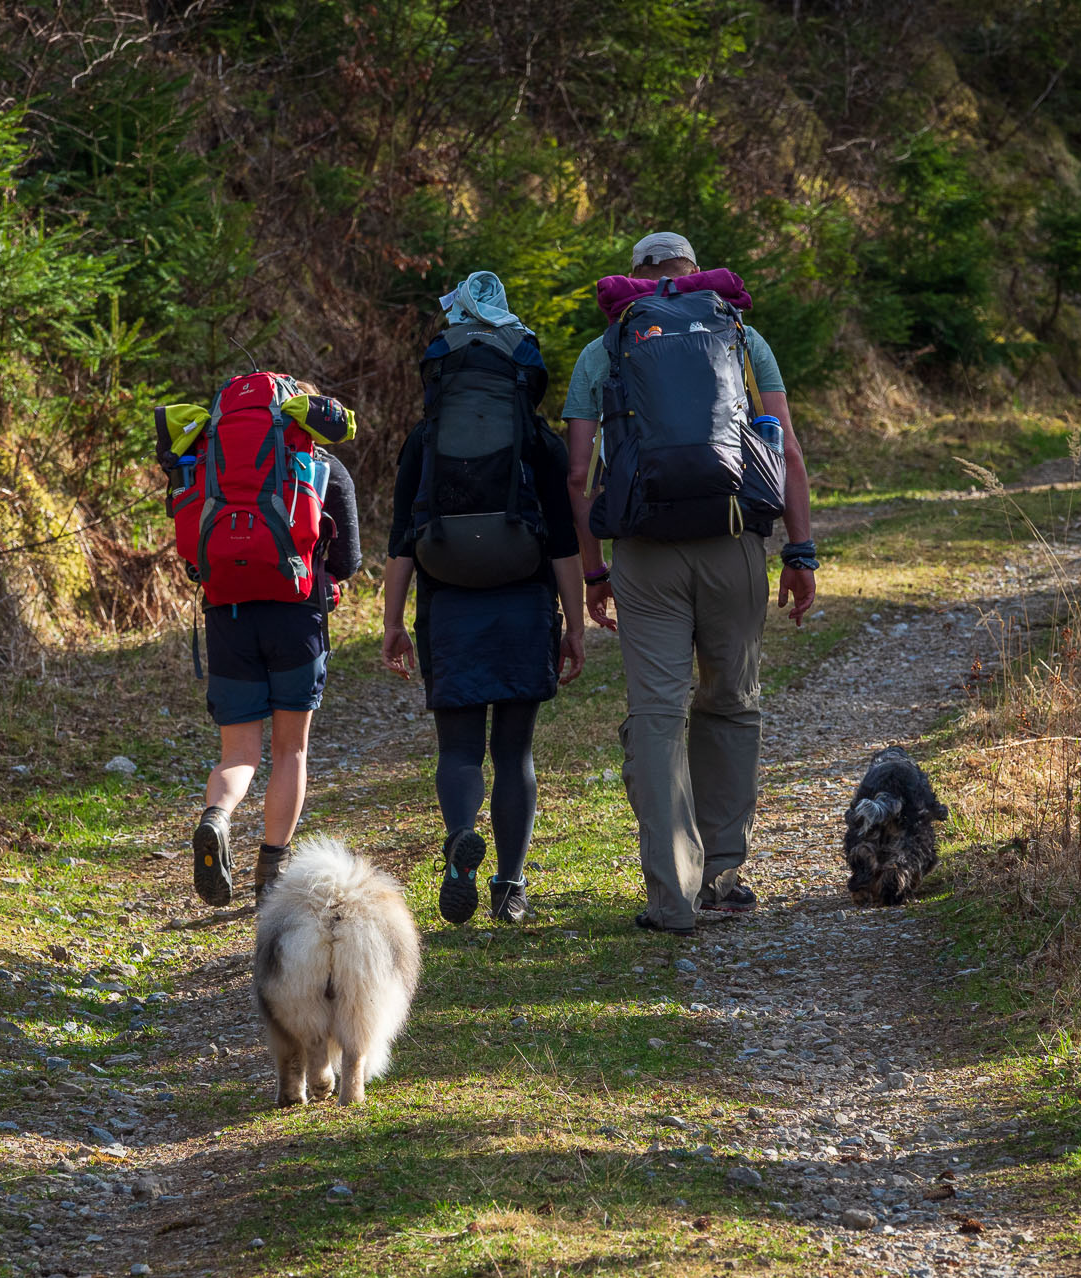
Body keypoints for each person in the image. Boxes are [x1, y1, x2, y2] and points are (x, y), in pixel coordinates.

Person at [563, 231, 818, 936]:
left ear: (640, 275)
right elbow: (785, 447)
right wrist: (801, 551)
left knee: (656, 713)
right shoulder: (739, 334)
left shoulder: (607, 346)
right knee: (731, 704)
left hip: (644, 552)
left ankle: (671, 898)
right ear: (693, 271)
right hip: (734, 539)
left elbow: (578, 475)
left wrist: (593, 570)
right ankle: (723, 876)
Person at [382, 272, 586, 925]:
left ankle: (455, 849)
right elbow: (562, 544)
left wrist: (392, 624)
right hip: (523, 603)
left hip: (448, 604)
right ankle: (511, 886)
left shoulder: (424, 440)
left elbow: (400, 544)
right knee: (514, 751)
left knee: (460, 749)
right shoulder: (538, 441)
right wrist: (575, 626)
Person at [184, 382, 361, 908]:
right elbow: (347, 561)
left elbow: (194, 548)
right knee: (291, 749)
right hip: (296, 616)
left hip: (229, 614)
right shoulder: (325, 467)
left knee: (238, 752)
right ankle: (271, 869)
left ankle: (216, 818)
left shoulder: (211, 459)